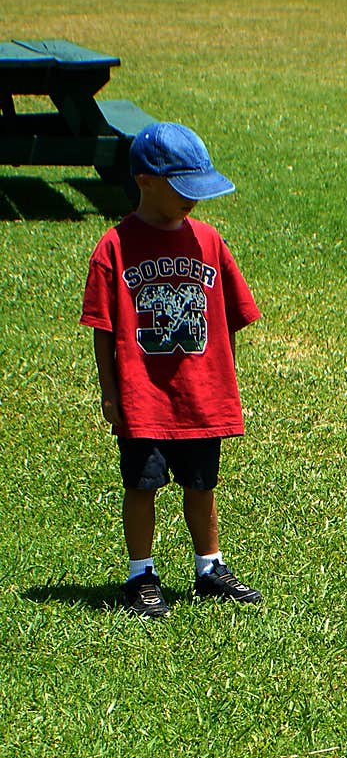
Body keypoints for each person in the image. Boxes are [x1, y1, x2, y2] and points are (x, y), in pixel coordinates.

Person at [80, 121, 262, 617]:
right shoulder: (114, 247)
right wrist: (110, 391)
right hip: (143, 397)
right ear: (145, 181)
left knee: (202, 486)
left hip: (202, 396)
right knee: (142, 487)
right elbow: (102, 327)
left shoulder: (208, 240)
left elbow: (231, 315)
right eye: (184, 189)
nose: (194, 201)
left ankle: (210, 568)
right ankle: (140, 574)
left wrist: (202, 369)